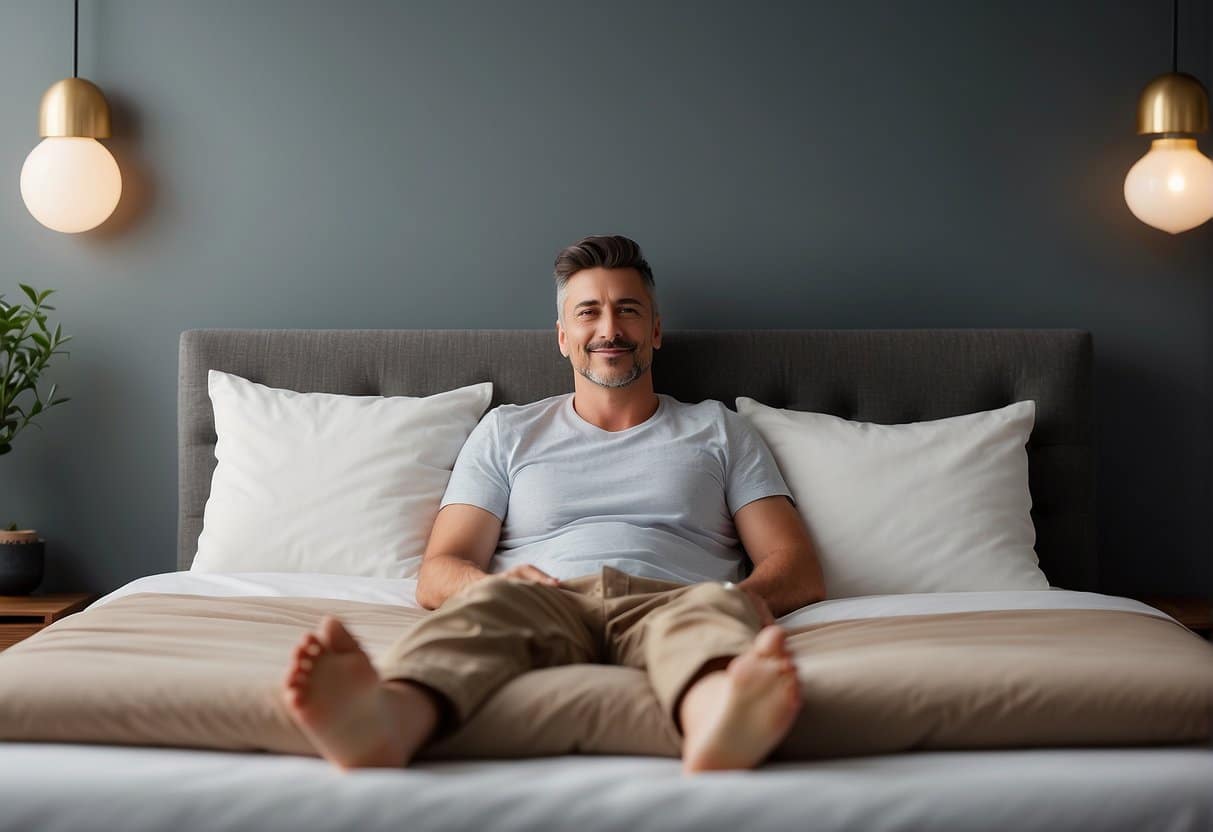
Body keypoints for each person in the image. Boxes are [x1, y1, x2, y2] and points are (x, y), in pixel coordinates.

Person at [282, 235, 826, 774]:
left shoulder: (719, 429)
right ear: (563, 336)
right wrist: (493, 587)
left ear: (655, 330)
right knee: (483, 616)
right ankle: (385, 719)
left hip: (677, 599)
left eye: (628, 311)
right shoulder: (507, 432)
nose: (610, 329)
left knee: (708, 621)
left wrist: (739, 600)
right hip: (541, 600)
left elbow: (796, 567)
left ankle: (721, 721)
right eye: (588, 313)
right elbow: (439, 572)